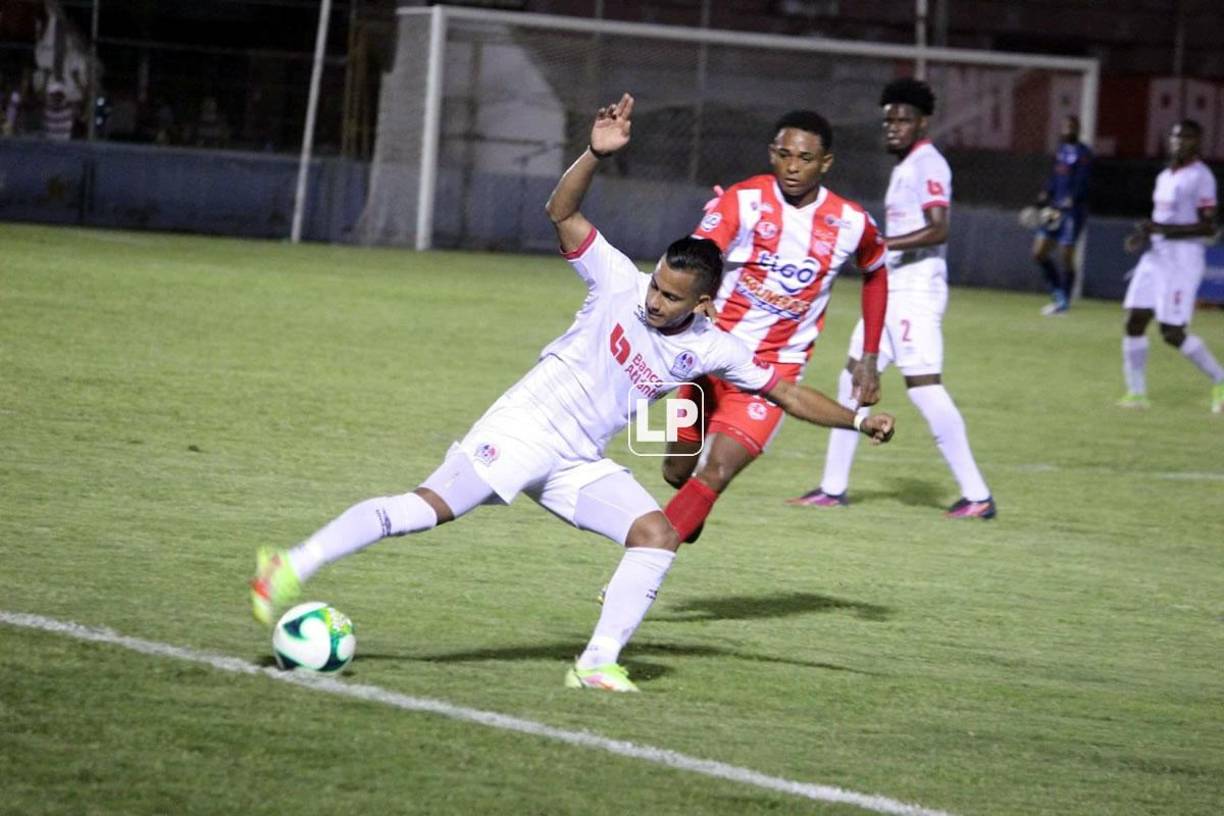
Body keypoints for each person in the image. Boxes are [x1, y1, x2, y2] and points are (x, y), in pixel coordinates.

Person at [249, 93, 897, 693]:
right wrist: (595, 154)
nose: (655, 300)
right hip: (523, 430)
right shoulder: (617, 279)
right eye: (656, 286)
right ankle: (291, 562)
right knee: (425, 510)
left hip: (578, 458)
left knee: (655, 534)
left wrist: (858, 419)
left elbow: (786, 393)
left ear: (703, 305)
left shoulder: (713, 347)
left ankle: (596, 663)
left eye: (671, 297)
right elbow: (561, 212)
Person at [659, 109, 889, 544]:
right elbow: (700, 253)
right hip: (709, 359)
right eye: (784, 155)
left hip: (773, 372)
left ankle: (647, 556)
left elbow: (877, 271)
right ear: (772, 154)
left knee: (718, 470)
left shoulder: (850, 222)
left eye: (805, 157)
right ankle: (688, 509)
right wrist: (698, 300)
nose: (793, 166)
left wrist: (870, 356)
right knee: (676, 471)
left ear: (826, 163)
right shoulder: (743, 201)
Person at [789, 77, 996, 519]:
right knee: (853, 380)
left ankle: (977, 496)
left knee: (924, 388)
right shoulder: (906, 166)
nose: (894, 127)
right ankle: (832, 487)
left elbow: (939, 228)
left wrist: (881, 245)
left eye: (903, 120)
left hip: (916, 289)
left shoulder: (928, 164)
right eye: (888, 121)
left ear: (923, 122)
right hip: (891, 288)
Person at [1118, 119, 1223, 412]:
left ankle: (1221, 380)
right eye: (1176, 137)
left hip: (1183, 259)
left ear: (1198, 142)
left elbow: (1208, 227)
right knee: (1135, 319)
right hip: (1157, 256)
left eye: (1187, 137)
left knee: (1171, 332)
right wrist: (1144, 234)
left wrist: (1162, 231)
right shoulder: (1165, 175)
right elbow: (1162, 221)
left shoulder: (1201, 177)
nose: (1179, 142)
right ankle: (1136, 393)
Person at [1032, 114, 1092, 315]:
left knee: (1066, 255)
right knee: (1039, 253)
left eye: (1072, 127)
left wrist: (1072, 198)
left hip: (1073, 212)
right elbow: (1055, 178)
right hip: (1054, 210)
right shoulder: (1060, 151)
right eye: (1065, 126)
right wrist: (1045, 193)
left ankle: (1064, 301)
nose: (1068, 130)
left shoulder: (1084, 153)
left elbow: (1084, 182)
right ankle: (1057, 293)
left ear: (1078, 129)